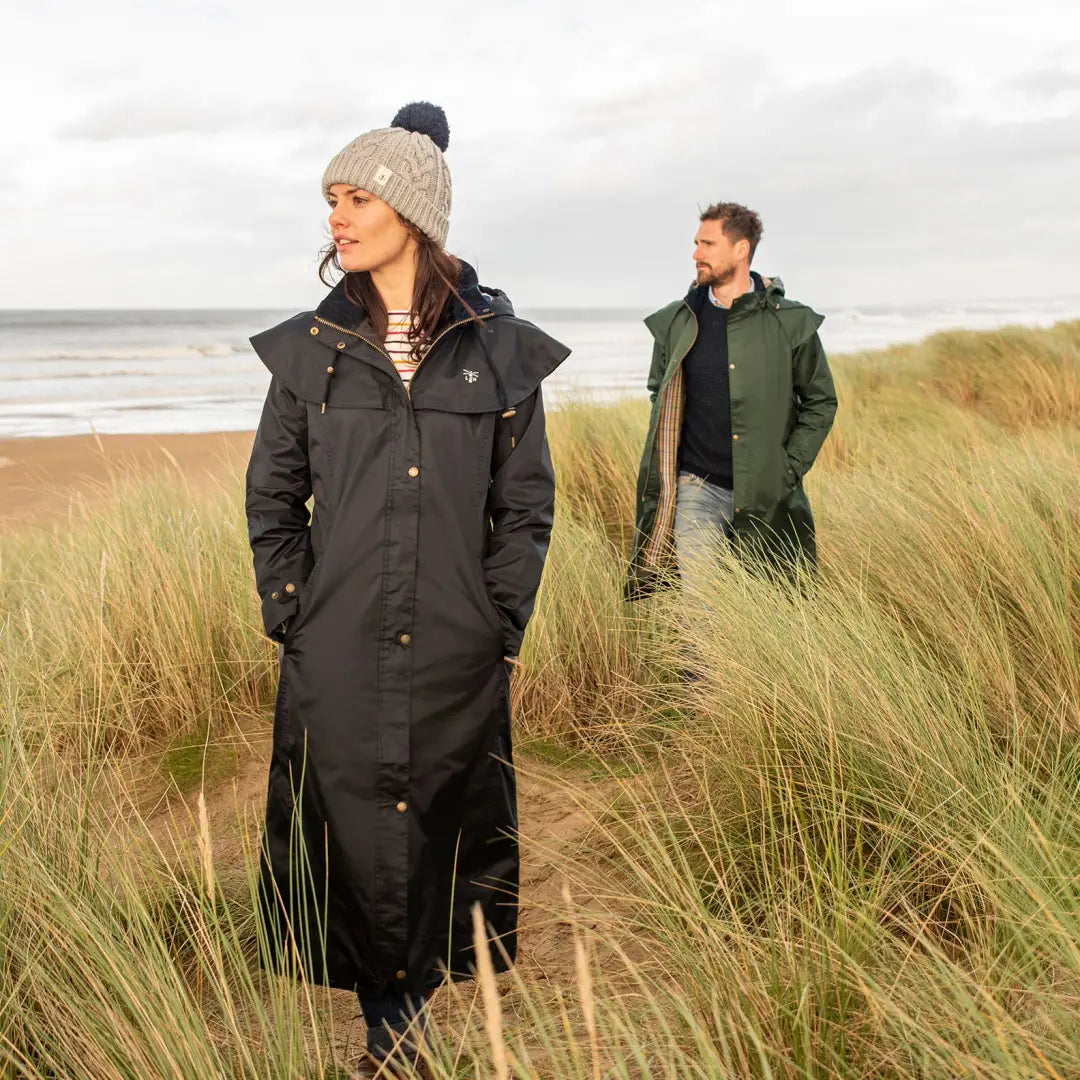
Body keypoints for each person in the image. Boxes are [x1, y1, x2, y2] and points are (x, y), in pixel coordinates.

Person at [244, 101, 569, 1075]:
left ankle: (404, 1031)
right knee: (348, 827)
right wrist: (291, 606)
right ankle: (391, 1033)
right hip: (336, 638)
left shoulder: (497, 351)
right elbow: (272, 489)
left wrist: (500, 621)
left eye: (355, 199)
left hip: (454, 643)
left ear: (411, 213)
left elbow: (526, 505)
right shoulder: (312, 350)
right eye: (330, 201)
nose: (336, 219)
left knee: (435, 826)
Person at [625, 202, 837, 599]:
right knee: (700, 606)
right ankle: (696, 665)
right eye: (696, 243)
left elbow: (821, 401)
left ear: (741, 251)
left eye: (708, 243)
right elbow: (661, 388)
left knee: (769, 605)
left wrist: (786, 470)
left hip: (766, 492)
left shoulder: (789, 322)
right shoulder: (678, 320)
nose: (696, 253)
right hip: (696, 487)